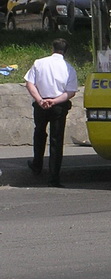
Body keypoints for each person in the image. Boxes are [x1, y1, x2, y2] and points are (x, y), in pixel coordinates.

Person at [24, 38, 78, 187]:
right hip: (59, 106)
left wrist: (40, 100)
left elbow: (29, 83)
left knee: (39, 133)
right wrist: (54, 101)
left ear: (52, 48)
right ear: (65, 52)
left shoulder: (39, 63)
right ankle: (54, 177)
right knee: (56, 140)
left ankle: (37, 164)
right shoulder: (69, 68)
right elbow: (71, 92)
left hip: (41, 105)